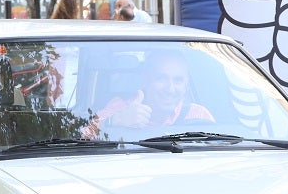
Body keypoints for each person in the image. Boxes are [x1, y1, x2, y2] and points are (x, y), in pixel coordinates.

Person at [81, 50, 214, 138]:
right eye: (161, 78)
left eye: (178, 80)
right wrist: (115, 120)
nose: (170, 89)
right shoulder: (122, 107)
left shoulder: (199, 115)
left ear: (186, 85)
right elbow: (83, 137)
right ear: (145, 80)